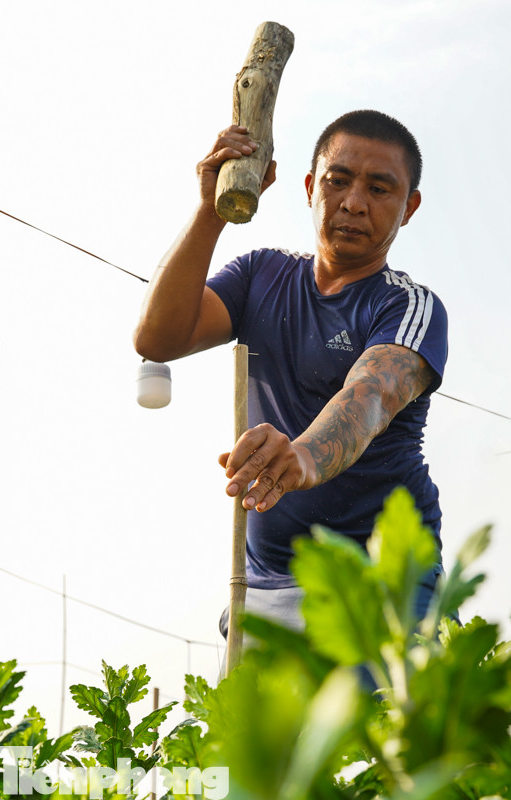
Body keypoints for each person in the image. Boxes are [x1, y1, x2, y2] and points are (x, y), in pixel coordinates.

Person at [133, 109, 447, 638]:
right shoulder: (261, 274)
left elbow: (370, 395)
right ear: (309, 187)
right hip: (265, 584)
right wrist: (210, 211)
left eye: (378, 189)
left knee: (386, 698)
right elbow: (157, 338)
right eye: (337, 181)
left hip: (385, 582)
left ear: (408, 207)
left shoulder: (409, 306)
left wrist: (302, 457)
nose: (353, 203)